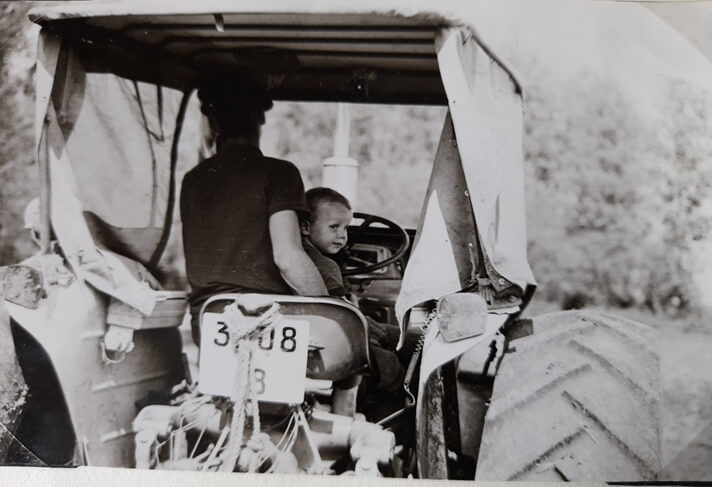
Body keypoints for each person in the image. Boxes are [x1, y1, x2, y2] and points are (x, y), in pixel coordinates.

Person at [180, 75, 327, 344]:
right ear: (260, 119)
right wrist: (330, 309)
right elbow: (288, 257)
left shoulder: (193, 179)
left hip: (207, 317)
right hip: (267, 319)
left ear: (213, 123)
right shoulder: (279, 173)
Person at [301, 187, 404, 392]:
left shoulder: (305, 257)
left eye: (346, 228)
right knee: (393, 366)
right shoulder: (326, 266)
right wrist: (378, 333)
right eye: (334, 227)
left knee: (397, 337)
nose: (342, 236)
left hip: (318, 335)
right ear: (305, 227)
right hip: (332, 340)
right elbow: (346, 315)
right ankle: (388, 415)